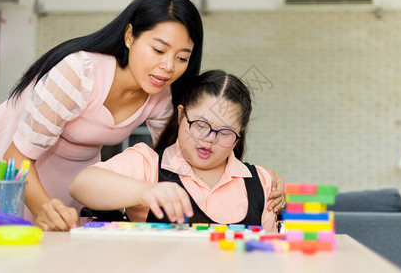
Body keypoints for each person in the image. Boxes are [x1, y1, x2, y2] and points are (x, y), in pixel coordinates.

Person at [0, 0, 284, 231]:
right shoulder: (78, 73)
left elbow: (182, 155)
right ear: (130, 36)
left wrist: (257, 176)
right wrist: (42, 206)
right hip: (14, 165)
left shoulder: (160, 95)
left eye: (182, 57)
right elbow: (18, 157)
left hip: (75, 174)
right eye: (158, 50)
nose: (169, 66)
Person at [70, 70, 277, 232]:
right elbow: (81, 185)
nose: (209, 139)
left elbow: (271, 256)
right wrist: (145, 191)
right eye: (201, 125)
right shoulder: (149, 164)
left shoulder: (261, 182)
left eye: (224, 132)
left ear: (239, 133)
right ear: (180, 116)